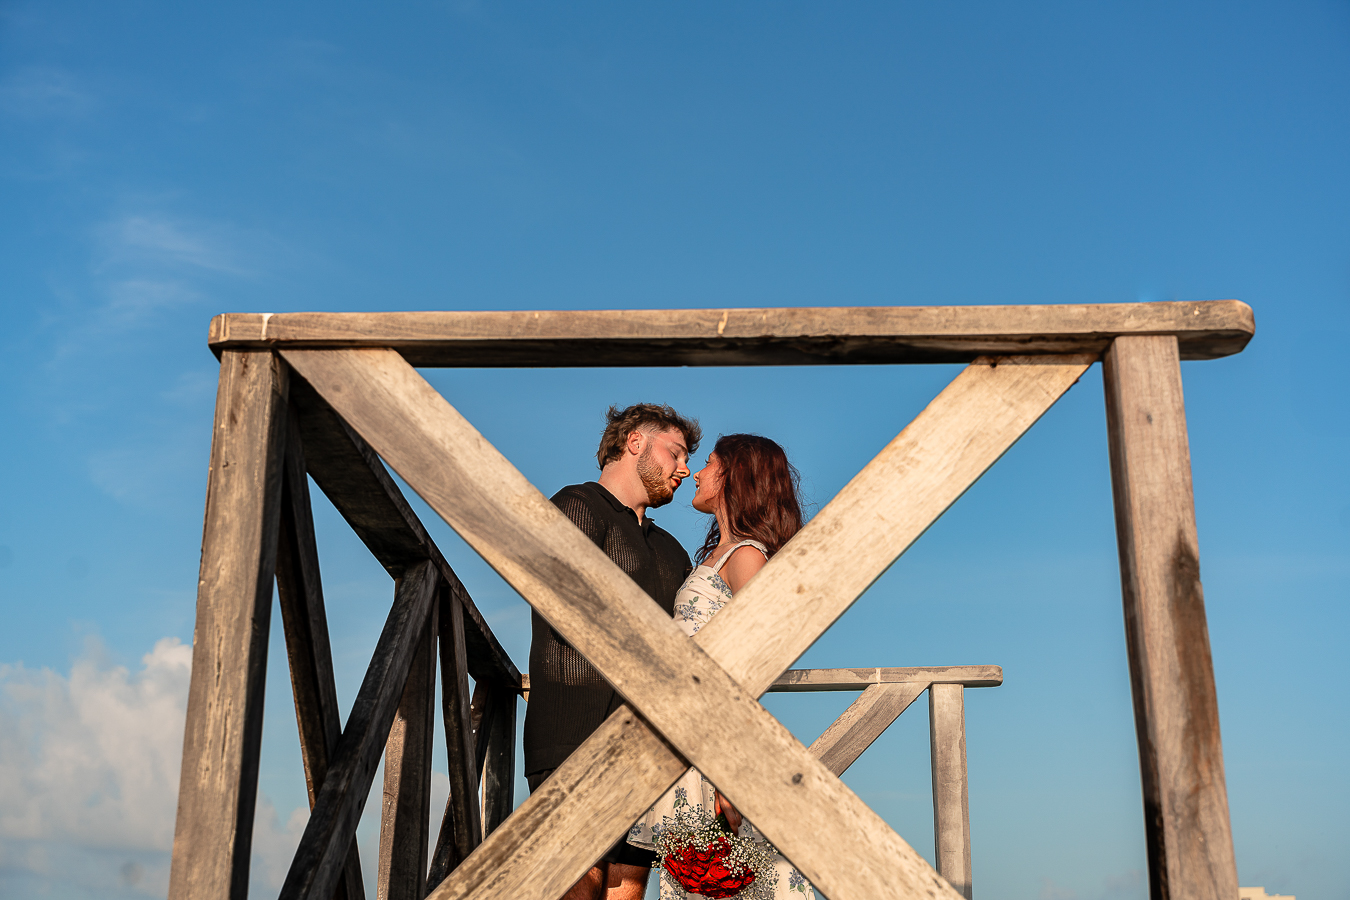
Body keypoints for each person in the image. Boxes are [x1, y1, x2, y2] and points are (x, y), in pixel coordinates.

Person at [524, 403, 703, 900]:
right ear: (635, 442)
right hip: (573, 733)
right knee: (578, 884)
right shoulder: (576, 505)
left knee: (626, 890)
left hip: (647, 749)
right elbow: (567, 604)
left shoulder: (672, 549)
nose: (684, 468)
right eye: (676, 452)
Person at [627, 434, 817, 899]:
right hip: (693, 739)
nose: (696, 472)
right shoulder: (718, 556)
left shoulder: (747, 556)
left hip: (718, 745)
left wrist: (731, 772)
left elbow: (754, 662)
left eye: (709, 463)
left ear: (734, 476)